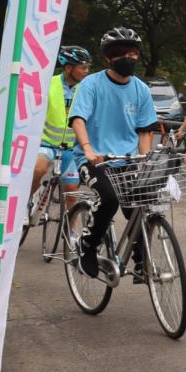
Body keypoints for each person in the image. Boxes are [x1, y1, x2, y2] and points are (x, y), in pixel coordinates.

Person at [68, 28, 160, 275]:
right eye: (121, 54)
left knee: (138, 203)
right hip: (94, 159)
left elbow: (144, 131)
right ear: (109, 58)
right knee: (108, 199)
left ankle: (142, 258)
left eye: (133, 53)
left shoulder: (140, 89)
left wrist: (146, 161)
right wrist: (87, 149)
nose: (128, 58)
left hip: (127, 159)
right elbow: (78, 119)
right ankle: (88, 245)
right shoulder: (91, 84)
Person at [33, 44, 90, 200]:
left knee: (72, 190)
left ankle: (69, 225)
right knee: (38, 169)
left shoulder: (87, 88)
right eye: (83, 67)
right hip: (46, 144)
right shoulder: (48, 84)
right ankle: (28, 202)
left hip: (71, 149)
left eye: (88, 67)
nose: (87, 71)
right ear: (68, 68)